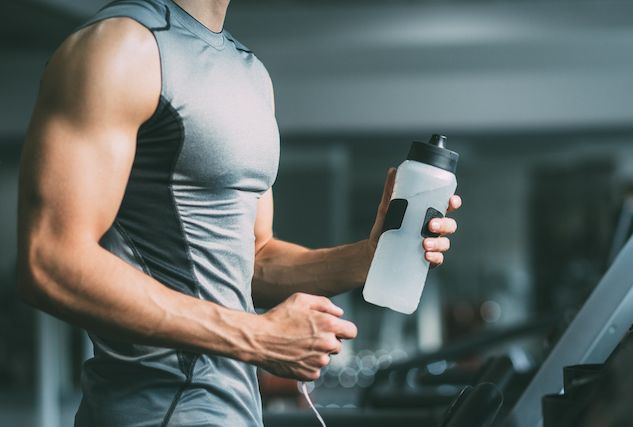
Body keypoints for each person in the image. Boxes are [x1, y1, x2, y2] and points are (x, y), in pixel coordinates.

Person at [15, 0, 461, 425]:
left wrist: (367, 257)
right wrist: (258, 335)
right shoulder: (119, 46)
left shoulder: (250, 73)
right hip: (155, 413)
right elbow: (50, 260)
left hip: (236, 411)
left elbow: (253, 261)